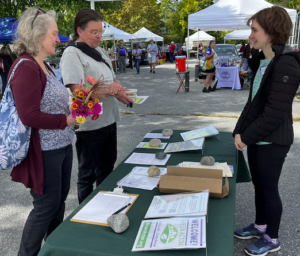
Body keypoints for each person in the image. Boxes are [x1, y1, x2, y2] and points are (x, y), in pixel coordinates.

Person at [8, 7, 78, 256]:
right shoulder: (27, 66)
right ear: (38, 35)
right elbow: (29, 116)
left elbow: (51, 103)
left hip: (60, 147)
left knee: (56, 205)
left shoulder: (43, 65)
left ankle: (52, 250)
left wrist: (74, 112)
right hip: (45, 152)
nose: (58, 39)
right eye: (54, 34)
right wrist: (67, 120)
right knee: (45, 208)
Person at [233, 6, 300, 256]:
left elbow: (274, 113)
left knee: (269, 189)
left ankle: (272, 238)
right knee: (260, 186)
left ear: (272, 32)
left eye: (254, 30)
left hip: (273, 140)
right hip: (258, 140)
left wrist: (246, 136)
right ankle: (260, 225)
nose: (250, 35)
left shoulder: (286, 64)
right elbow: (253, 104)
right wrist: (238, 132)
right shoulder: (263, 61)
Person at [60, 8, 132, 204]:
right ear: (79, 30)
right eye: (94, 32)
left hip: (109, 120)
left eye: (100, 31)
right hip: (90, 127)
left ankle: (104, 206)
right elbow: (77, 92)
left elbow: (112, 80)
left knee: (107, 169)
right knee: (87, 176)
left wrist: (122, 93)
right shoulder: (72, 54)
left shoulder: (100, 51)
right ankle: (85, 213)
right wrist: (109, 91)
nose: (99, 36)